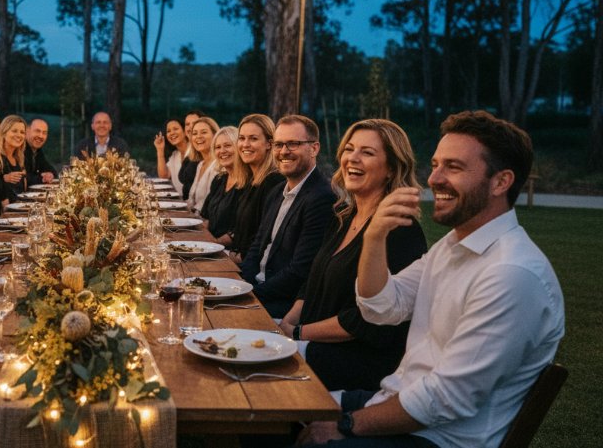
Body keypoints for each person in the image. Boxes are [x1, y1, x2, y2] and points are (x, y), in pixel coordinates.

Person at [298, 111, 565, 448]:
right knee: (283, 402)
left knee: (298, 424)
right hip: (398, 403)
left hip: (436, 437)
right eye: (436, 164)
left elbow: (446, 399)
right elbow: (381, 308)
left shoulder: (511, 274)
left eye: (453, 167)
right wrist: (375, 237)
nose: (434, 178)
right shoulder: (451, 248)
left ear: (501, 182)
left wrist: (347, 425)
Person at [278, 119, 427, 392]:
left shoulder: (399, 230)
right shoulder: (343, 218)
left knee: (260, 370)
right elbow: (312, 280)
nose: (352, 159)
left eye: (367, 153)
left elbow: (366, 321)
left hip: (356, 363)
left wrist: (298, 334)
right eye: (349, 149)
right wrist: (288, 321)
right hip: (309, 339)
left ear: (392, 168)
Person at [239, 114, 336, 319]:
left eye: (293, 144)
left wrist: (250, 295)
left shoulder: (322, 197)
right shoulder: (277, 191)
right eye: (279, 144)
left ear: (314, 148)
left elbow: (300, 270)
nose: (284, 152)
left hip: (283, 306)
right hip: (257, 290)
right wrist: (242, 285)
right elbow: (257, 247)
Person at [227, 114, 283, 261]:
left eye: (253, 139)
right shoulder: (250, 180)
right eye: (242, 138)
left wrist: (240, 258)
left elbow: (267, 238)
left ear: (269, 144)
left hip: (251, 271)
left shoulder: (274, 182)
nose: (245, 144)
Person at [200, 126, 242, 245]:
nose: (222, 151)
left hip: (229, 251)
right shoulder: (219, 179)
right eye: (218, 147)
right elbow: (207, 218)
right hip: (210, 244)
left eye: (228, 145)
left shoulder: (248, 183)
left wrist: (215, 243)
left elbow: (240, 229)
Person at [185, 116, 220, 213]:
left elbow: (209, 204)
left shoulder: (218, 166)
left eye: (204, 132)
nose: (198, 136)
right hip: (193, 218)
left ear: (215, 135)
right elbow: (191, 202)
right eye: (194, 133)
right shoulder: (201, 164)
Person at [153, 118, 188, 194]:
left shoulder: (195, 153)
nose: (172, 133)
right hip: (178, 201)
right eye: (168, 131)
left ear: (185, 132)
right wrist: (160, 150)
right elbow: (164, 176)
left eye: (175, 129)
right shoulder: (175, 155)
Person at [178, 110, 206, 199]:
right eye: (187, 124)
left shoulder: (203, 152)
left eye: (194, 123)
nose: (190, 127)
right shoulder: (190, 149)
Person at [0, 114, 28, 198]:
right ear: (4, 133)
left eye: (22, 132)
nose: (19, 135)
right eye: (14, 131)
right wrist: (3, 179)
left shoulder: (19, 158)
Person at [25, 117, 58, 186]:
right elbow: (23, 178)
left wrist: (50, 175)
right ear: (27, 131)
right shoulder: (19, 149)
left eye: (44, 133)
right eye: (37, 131)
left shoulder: (37, 151)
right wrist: (41, 178)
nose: (41, 136)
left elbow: (52, 171)